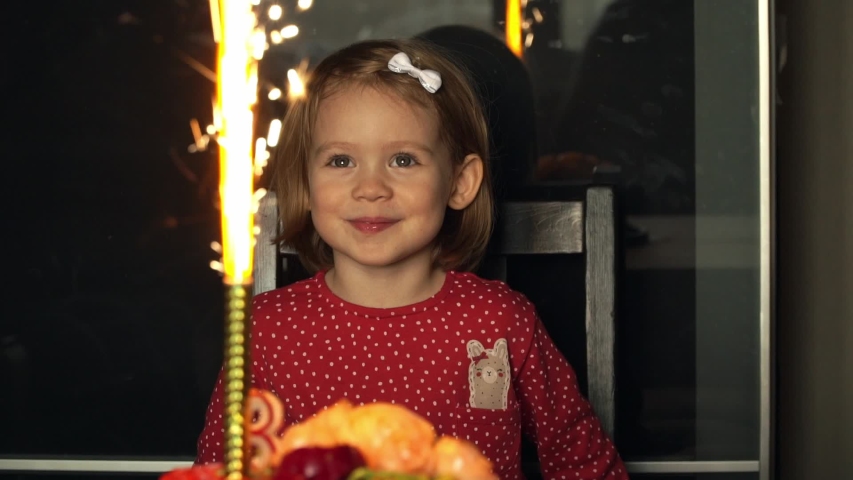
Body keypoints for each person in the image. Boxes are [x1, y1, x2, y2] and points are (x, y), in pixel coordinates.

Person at [195, 38, 628, 480]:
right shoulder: (265, 330)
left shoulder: (501, 322)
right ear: (305, 185)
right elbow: (217, 469)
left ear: (460, 182)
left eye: (403, 160)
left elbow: (586, 465)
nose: (370, 188)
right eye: (341, 160)